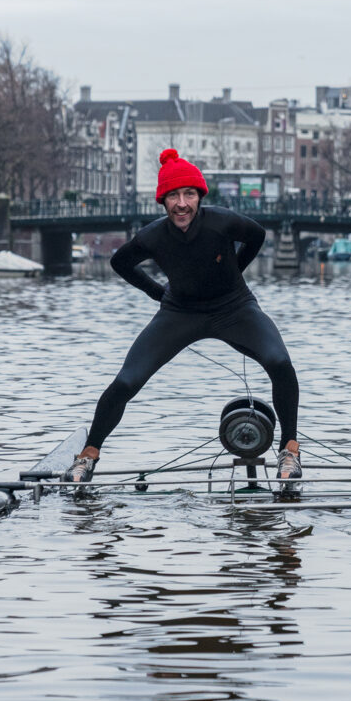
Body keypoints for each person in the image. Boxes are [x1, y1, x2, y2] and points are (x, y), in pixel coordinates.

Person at [68, 149, 301, 485]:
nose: (181, 204)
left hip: (234, 307)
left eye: (189, 194)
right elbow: (120, 262)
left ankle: (290, 450)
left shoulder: (223, 221)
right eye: (173, 196)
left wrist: (235, 269)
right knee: (126, 382)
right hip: (179, 313)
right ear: (163, 201)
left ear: (199, 197)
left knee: (280, 363)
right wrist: (157, 292)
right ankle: (88, 456)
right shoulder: (153, 235)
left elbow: (257, 236)